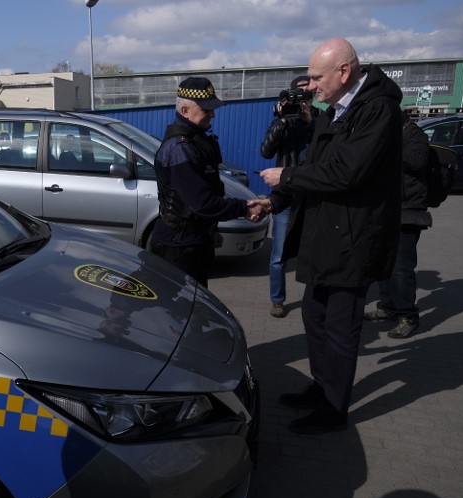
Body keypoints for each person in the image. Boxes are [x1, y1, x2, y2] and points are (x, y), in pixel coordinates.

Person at [257, 38, 403, 434]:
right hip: (326, 233)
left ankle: (334, 408)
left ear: (344, 71)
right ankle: (322, 387)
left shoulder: (377, 109)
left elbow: (346, 173)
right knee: (314, 315)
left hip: (353, 239)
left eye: (318, 77)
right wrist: (274, 200)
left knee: (340, 327)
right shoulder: (334, 109)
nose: (311, 85)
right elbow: (314, 163)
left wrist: (285, 176)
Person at [152, 77, 265, 287]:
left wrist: (212, 229)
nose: (212, 114)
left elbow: (211, 189)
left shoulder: (199, 142)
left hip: (195, 242)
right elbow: (201, 203)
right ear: (185, 111)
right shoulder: (180, 149)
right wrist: (244, 208)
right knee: (179, 312)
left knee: (197, 306)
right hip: (178, 248)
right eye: (206, 109)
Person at [364, 111, 432, 338]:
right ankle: (387, 308)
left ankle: (408, 317)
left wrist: (389, 148)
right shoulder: (392, 137)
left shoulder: (415, 135)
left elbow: (418, 161)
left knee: (401, 269)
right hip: (385, 211)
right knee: (383, 265)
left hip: (408, 212)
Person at [259, 75, 317, 318]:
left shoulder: (320, 120)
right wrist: (281, 121)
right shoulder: (283, 120)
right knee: (279, 255)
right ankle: (277, 300)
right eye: (297, 94)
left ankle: (315, 299)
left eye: (306, 94)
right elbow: (266, 151)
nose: (301, 99)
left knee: (315, 252)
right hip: (286, 196)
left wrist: (309, 120)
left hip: (312, 194)